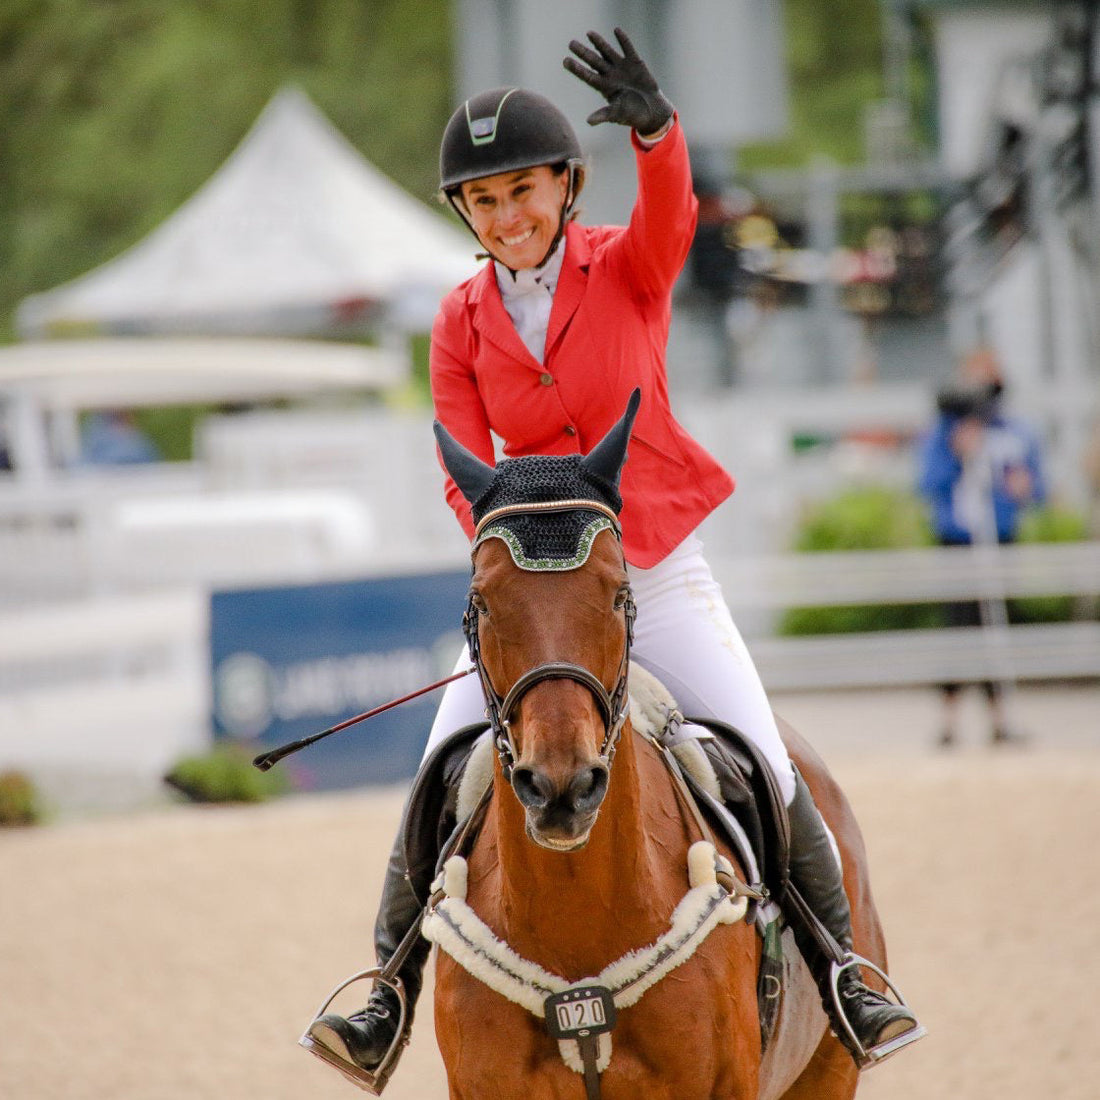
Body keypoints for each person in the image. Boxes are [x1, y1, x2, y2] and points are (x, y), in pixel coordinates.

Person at [307, 27, 921, 1077]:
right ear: (465, 214)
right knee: (434, 781)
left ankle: (842, 971)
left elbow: (670, 213)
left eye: (522, 193)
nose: (506, 219)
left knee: (766, 762)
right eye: (484, 202)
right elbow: (462, 466)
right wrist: (520, 564)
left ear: (564, 186)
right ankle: (386, 990)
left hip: (653, 567)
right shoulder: (455, 323)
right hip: (535, 593)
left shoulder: (625, 270)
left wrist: (658, 132)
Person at [918, 346, 1047, 747]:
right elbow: (927, 485)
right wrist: (958, 454)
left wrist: (1022, 489)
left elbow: (1036, 489)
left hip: (1000, 538)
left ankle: (1000, 720)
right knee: (958, 627)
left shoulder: (1015, 431)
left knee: (998, 628)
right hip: (958, 539)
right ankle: (949, 723)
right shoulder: (944, 431)